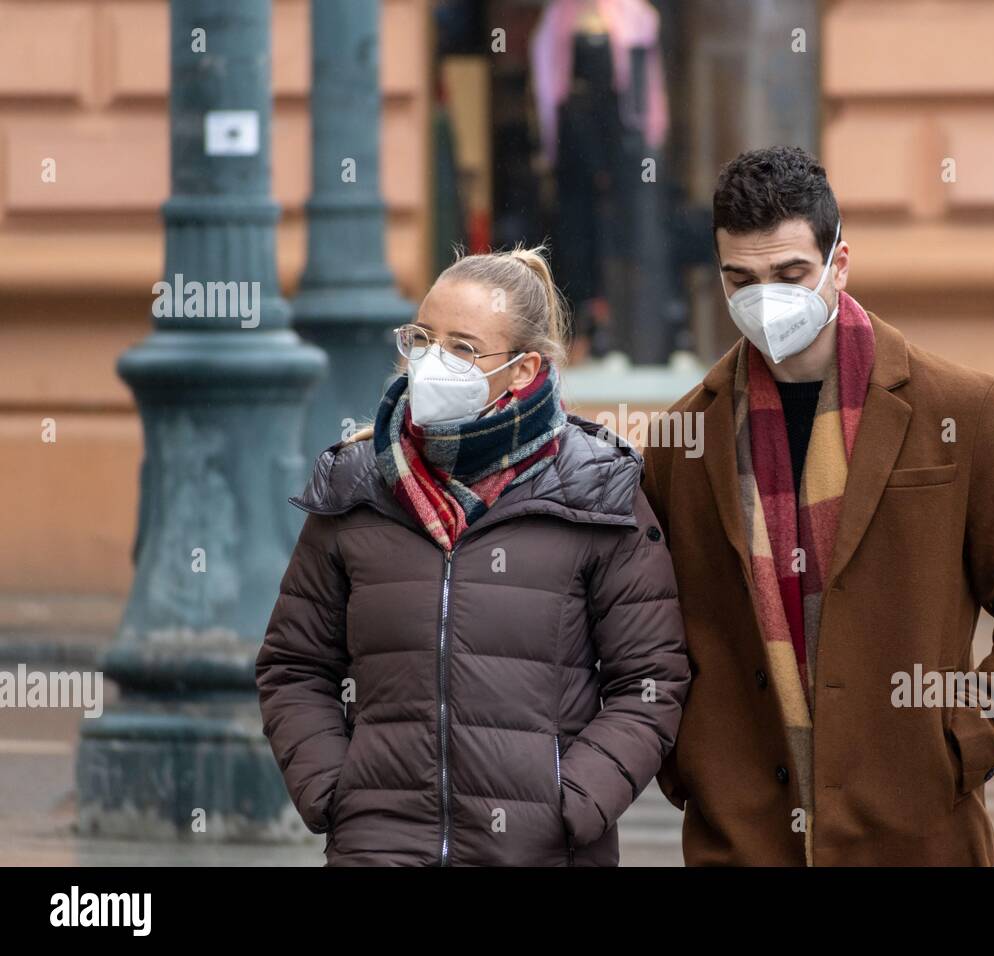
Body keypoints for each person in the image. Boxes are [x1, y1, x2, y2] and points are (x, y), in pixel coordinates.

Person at [642, 146, 994, 865]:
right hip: (743, 838)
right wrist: (692, 765)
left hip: (916, 835)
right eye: (742, 279)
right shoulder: (680, 442)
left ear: (838, 263)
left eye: (790, 274)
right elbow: (651, 637)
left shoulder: (963, 410)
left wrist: (964, 741)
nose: (766, 297)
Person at [255, 245, 689, 866]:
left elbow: (650, 680)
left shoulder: (597, 490)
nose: (432, 362)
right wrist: (335, 791)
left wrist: (572, 802)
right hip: (379, 850)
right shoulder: (359, 484)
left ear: (522, 369)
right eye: (423, 338)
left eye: (461, 347)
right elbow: (294, 665)